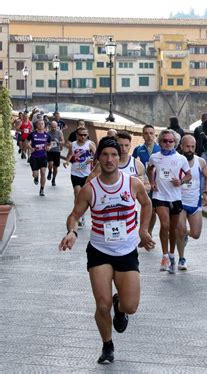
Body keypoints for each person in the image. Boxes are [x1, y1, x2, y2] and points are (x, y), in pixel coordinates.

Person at [58, 136, 155, 365]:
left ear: (119, 157)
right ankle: (107, 345)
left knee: (130, 306)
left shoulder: (132, 183)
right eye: (105, 155)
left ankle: (119, 306)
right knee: (102, 305)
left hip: (127, 250)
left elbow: (147, 204)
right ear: (98, 158)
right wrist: (72, 232)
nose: (110, 159)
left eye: (114, 154)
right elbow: (74, 215)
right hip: (100, 250)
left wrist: (143, 230)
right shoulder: (90, 189)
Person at [147, 130, 191, 273]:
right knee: (164, 224)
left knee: (173, 228)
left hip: (175, 197)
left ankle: (172, 255)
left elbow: (189, 175)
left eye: (170, 141)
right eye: (164, 141)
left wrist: (181, 181)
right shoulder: (155, 157)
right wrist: (152, 182)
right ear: (160, 142)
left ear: (175, 143)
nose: (167, 143)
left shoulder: (181, 159)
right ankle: (164, 256)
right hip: (160, 196)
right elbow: (150, 169)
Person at [173, 135, 207, 271]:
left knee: (196, 234)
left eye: (192, 147)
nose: (190, 150)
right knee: (181, 230)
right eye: (187, 146)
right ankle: (182, 258)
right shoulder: (175, 161)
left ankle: (184, 236)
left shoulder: (200, 162)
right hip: (180, 202)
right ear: (181, 146)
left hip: (195, 202)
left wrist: (206, 193)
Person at [64, 127, 96, 227]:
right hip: (75, 173)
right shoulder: (73, 144)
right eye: (81, 135)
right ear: (77, 135)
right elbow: (70, 154)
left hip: (87, 174)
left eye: (85, 135)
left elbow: (97, 157)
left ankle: (82, 215)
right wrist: (66, 161)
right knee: (77, 194)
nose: (83, 137)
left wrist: (91, 160)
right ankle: (78, 215)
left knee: (86, 196)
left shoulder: (90, 144)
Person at [132, 125, 161, 235]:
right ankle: (145, 232)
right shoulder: (138, 150)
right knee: (148, 209)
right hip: (145, 185)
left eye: (151, 133)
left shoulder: (160, 149)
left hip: (158, 184)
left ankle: (149, 232)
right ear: (142, 135)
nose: (149, 136)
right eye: (146, 133)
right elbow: (133, 165)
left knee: (153, 211)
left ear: (155, 135)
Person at [26, 119, 51, 196]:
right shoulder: (32, 134)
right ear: (36, 125)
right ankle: (35, 178)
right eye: (39, 124)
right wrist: (30, 148)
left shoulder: (47, 135)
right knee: (35, 174)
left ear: (44, 125)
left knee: (43, 173)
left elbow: (50, 144)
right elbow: (26, 142)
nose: (41, 125)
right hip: (34, 157)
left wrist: (49, 147)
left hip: (43, 156)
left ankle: (42, 189)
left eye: (42, 124)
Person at [47, 120, 65, 186]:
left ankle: (54, 179)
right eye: (52, 127)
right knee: (50, 163)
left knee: (55, 167)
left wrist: (59, 142)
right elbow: (45, 142)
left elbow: (63, 142)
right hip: (50, 151)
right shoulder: (48, 133)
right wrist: (48, 145)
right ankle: (49, 171)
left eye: (55, 127)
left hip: (57, 151)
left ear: (57, 126)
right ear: (50, 127)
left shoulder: (59, 133)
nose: (53, 128)